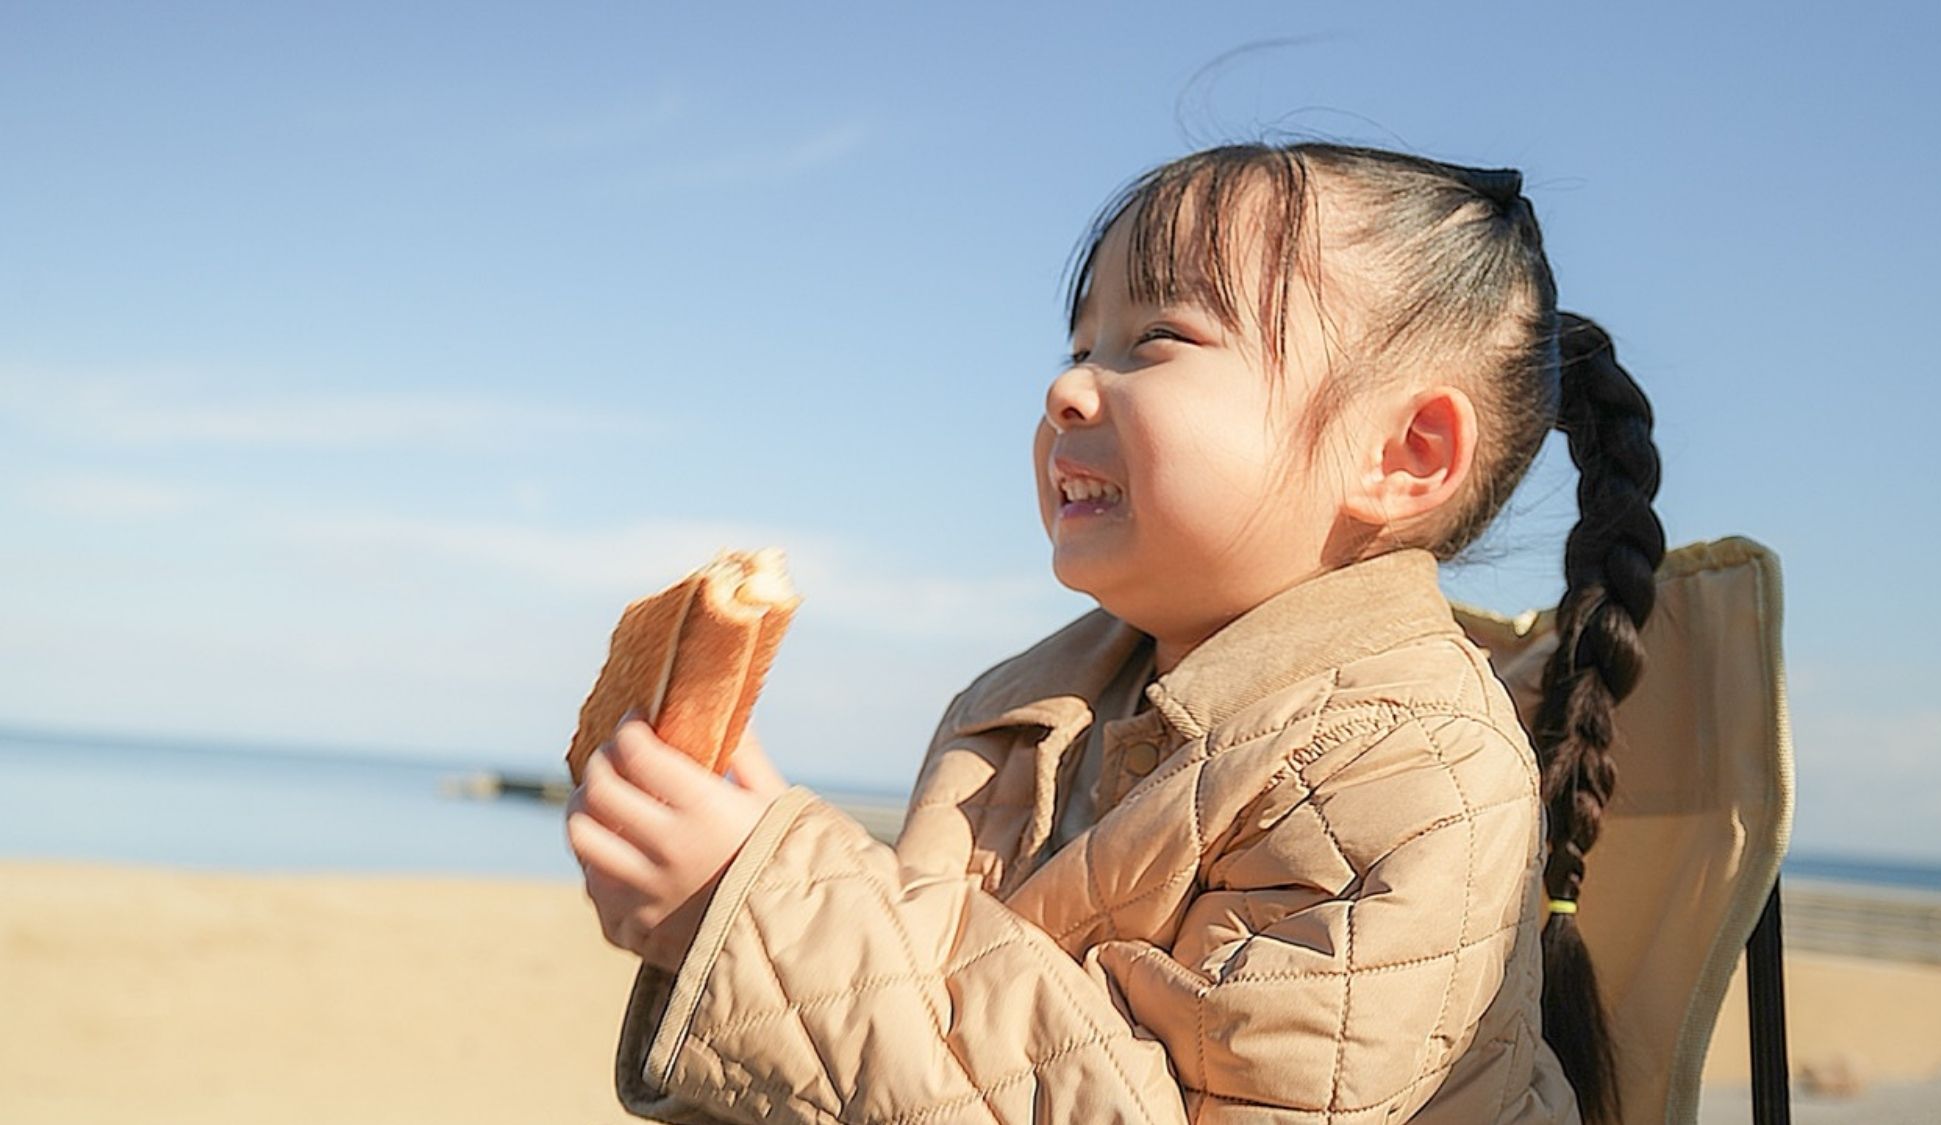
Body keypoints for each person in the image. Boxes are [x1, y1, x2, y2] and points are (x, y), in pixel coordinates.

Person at [565, 141, 1665, 1125]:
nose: (1066, 388)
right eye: (1079, 339)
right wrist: (731, 880)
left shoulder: (1404, 764)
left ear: (1403, 455)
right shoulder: (1025, 711)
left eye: (1155, 339)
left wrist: (764, 912)